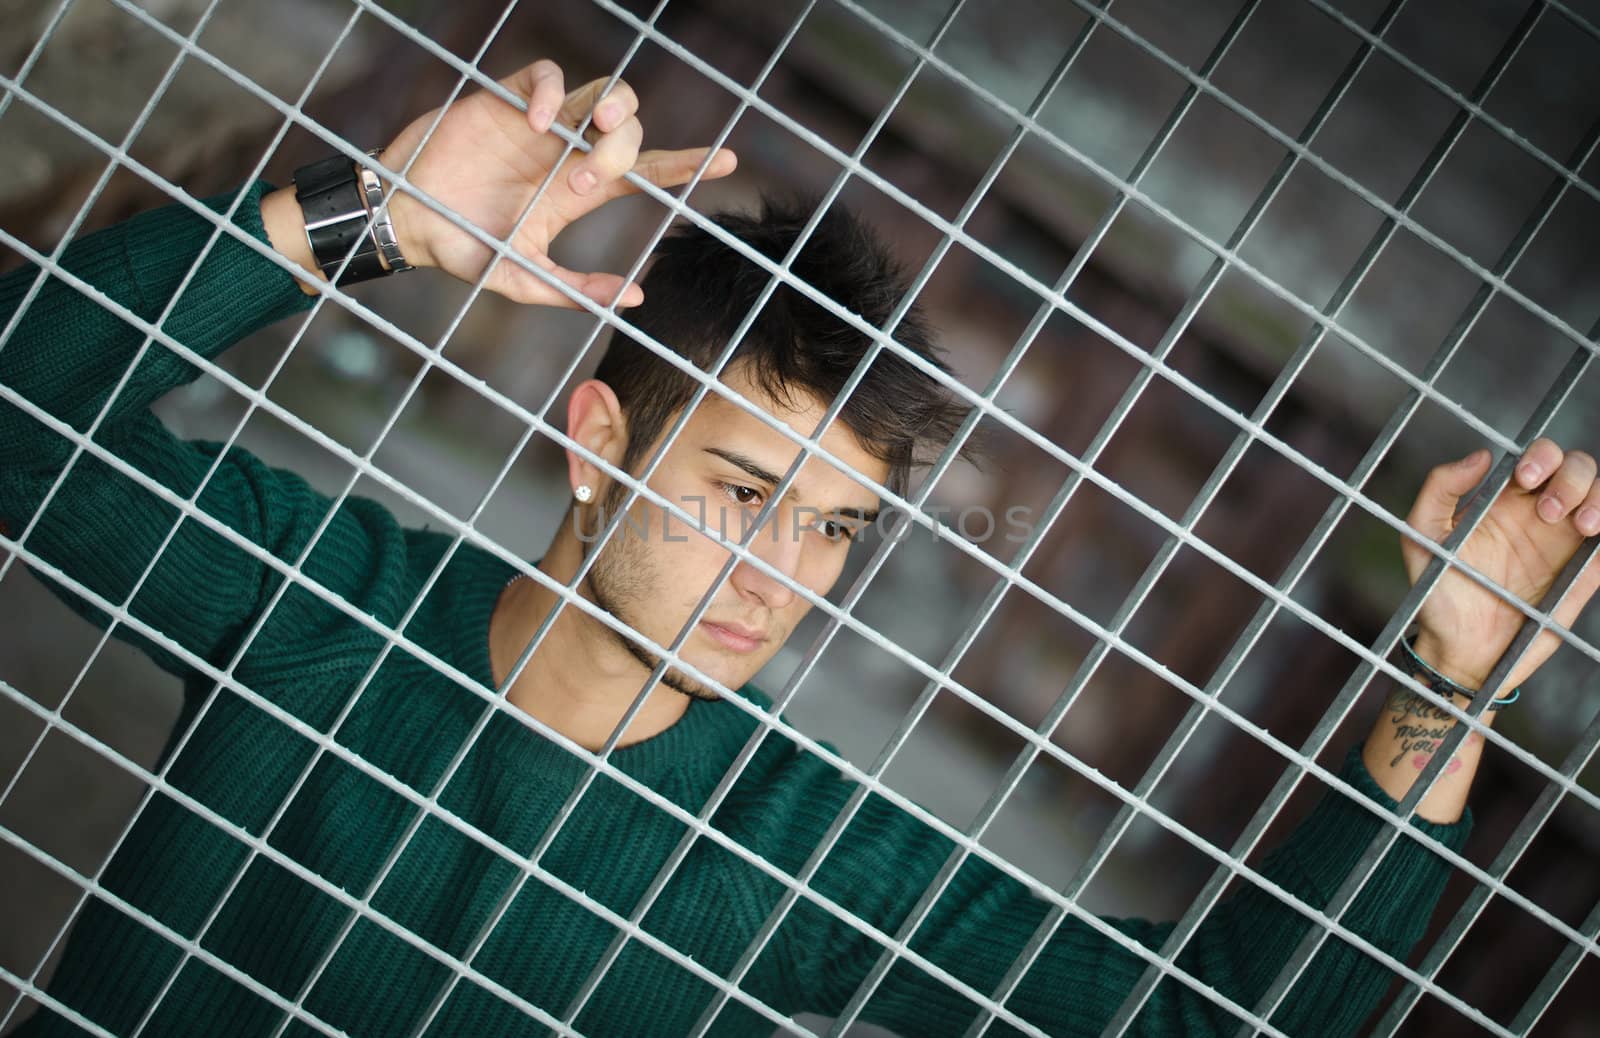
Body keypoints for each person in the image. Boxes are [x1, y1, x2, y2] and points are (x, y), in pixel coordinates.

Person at [2, 58, 1596, 1038]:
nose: (782, 572)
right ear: (598, 443)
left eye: (833, 527)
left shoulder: (795, 849)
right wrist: (372, 220)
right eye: (744, 495)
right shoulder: (327, 603)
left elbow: (1229, 1018)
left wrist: (1452, 682)